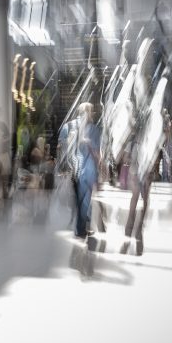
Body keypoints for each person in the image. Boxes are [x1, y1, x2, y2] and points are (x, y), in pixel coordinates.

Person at [73, 103, 101, 240]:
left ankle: (79, 228)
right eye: (92, 111)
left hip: (79, 168)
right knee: (86, 202)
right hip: (90, 169)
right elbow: (96, 153)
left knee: (80, 201)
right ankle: (81, 230)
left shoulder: (78, 130)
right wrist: (100, 166)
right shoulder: (94, 130)